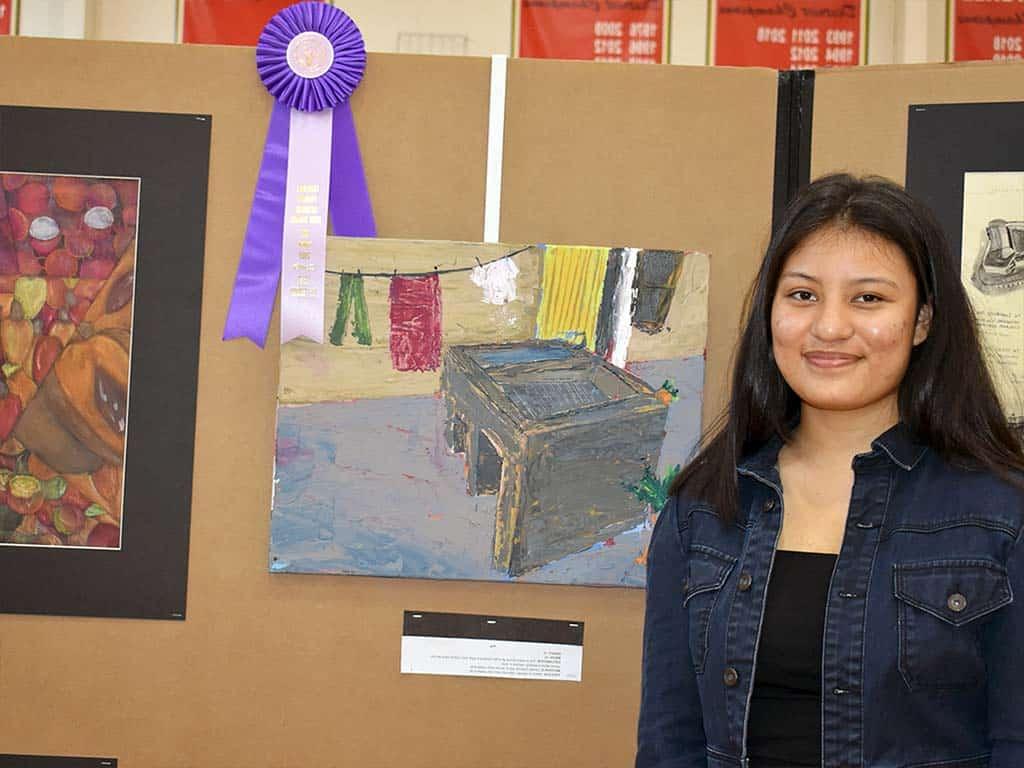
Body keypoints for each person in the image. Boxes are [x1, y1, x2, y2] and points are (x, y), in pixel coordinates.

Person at [635, 173, 1024, 768]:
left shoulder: (1000, 514)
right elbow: (670, 744)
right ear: (771, 312)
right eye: (802, 295)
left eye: (868, 298)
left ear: (922, 320)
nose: (830, 327)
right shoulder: (705, 508)